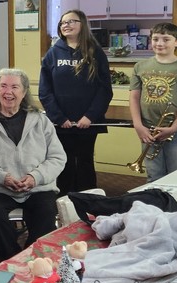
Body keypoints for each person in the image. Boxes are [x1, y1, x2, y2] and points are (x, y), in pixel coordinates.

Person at [0, 68, 66, 261]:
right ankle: (12, 261)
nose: (8, 92)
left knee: (46, 214)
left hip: (37, 187)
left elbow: (57, 158)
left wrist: (35, 177)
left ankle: (31, 259)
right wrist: (1, 177)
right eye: (3, 86)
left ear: (24, 91)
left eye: (14, 87)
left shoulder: (40, 120)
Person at [39, 10, 112, 195]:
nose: (66, 25)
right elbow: (45, 91)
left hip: (88, 122)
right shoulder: (53, 53)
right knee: (64, 161)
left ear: (83, 25)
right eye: (63, 22)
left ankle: (90, 204)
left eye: (72, 21)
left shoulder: (96, 53)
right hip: (61, 122)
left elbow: (104, 89)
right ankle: (64, 204)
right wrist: (59, 117)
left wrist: (90, 116)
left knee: (85, 161)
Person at [130, 23, 177, 182]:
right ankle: (155, 205)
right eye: (155, 39)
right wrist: (138, 125)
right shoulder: (140, 66)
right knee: (154, 174)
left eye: (166, 39)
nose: (159, 43)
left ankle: (176, 206)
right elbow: (134, 97)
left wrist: (174, 127)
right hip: (148, 128)